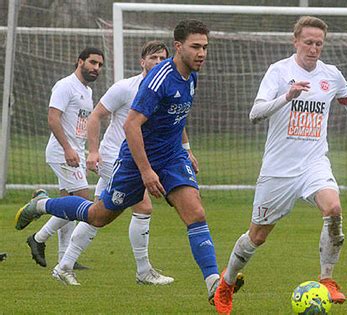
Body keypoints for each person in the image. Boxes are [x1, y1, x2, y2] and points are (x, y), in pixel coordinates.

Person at [15, 19, 240, 304]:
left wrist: (187, 149)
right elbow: (131, 125)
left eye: (205, 47)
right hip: (135, 162)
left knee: (196, 213)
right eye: (196, 47)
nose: (202, 53)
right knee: (98, 215)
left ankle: (214, 285)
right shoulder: (157, 79)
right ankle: (41, 205)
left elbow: (177, 116)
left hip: (171, 157)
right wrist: (145, 171)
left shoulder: (192, 76)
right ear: (178, 46)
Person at [213, 16, 347, 314]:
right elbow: (255, 113)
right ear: (295, 41)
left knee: (333, 209)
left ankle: (327, 280)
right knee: (257, 237)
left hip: (313, 164)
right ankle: (226, 284)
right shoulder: (279, 72)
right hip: (278, 170)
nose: (314, 48)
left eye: (319, 43)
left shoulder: (331, 75)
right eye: (308, 42)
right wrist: (287, 96)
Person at [49, 40, 176, 286]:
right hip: (115, 159)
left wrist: (185, 150)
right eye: (154, 58)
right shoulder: (125, 88)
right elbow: (96, 115)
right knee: (144, 207)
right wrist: (94, 151)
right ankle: (143, 271)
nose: (159, 63)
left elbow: (175, 123)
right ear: (142, 62)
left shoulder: (165, 90)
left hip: (132, 161)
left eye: (163, 59)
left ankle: (63, 264)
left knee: (98, 214)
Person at [25, 47, 104, 271]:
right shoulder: (65, 85)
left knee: (66, 204)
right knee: (82, 202)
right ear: (79, 61)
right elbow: (53, 119)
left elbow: (83, 124)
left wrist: (89, 152)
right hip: (62, 152)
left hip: (75, 153)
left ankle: (63, 256)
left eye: (99, 65)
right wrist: (69, 149)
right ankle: (38, 238)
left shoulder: (86, 91)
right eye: (92, 62)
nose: (96, 68)